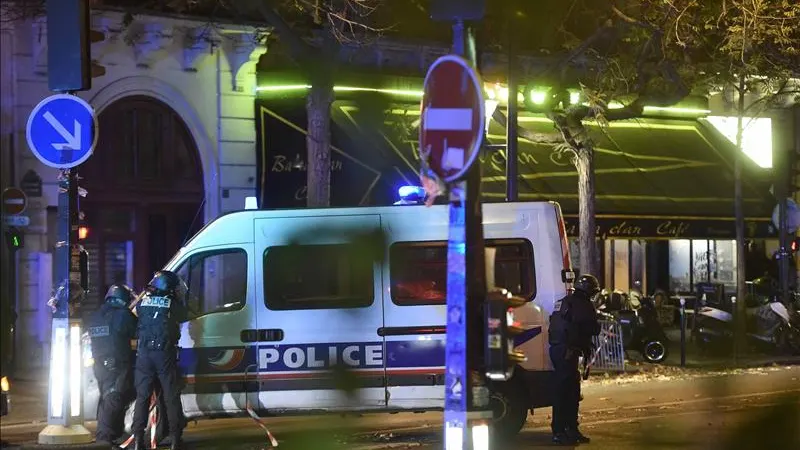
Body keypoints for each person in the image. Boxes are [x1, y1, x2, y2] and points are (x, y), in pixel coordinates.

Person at [131, 271, 188, 450]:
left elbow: (134, 312)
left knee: (142, 397)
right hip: (164, 354)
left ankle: (138, 439)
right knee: (171, 396)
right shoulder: (172, 303)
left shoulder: (143, 302)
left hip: (144, 355)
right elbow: (185, 315)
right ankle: (175, 439)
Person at [548, 274, 602, 445]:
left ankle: (567, 430)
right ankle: (563, 430)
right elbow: (592, 328)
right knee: (568, 393)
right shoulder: (583, 304)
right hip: (568, 352)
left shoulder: (564, 302)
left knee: (566, 392)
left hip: (558, 350)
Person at [88, 284, 138, 444]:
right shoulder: (124, 315)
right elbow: (139, 330)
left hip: (100, 365)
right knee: (115, 398)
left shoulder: (96, 315)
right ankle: (104, 438)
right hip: (118, 364)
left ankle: (113, 435)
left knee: (108, 397)